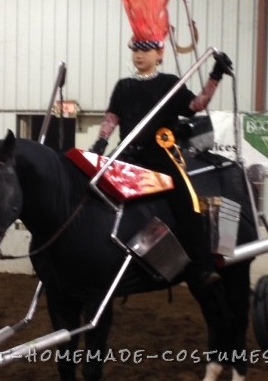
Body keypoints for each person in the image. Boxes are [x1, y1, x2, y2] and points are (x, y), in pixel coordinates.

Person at [90, 42, 233, 286]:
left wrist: (215, 75)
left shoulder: (170, 83)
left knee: (188, 205)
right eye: (135, 50)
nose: (139, 55)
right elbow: (112, 117)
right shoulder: (123, 86)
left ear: (159, 55)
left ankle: (200, 266)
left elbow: (196, 105)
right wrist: (101, 142)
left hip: (160, 158)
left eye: (145, 50)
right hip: (127, 156)